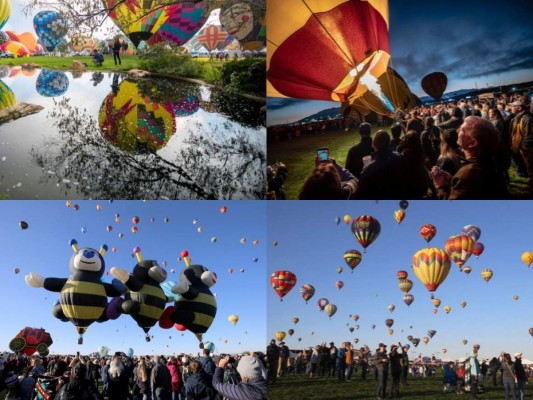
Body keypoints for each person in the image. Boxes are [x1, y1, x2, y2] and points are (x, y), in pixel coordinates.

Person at [431, 116, 508, 199]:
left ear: (472, 143)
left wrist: (441, 187)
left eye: (462, 130)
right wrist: (454, 182)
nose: (457, 131)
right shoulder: (489, 161)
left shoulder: (468, 174)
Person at [356, 130, 408, 199]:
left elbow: (361, 194)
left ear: (373, 145)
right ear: (389, 142)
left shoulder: (369, 170)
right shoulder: (401, 158)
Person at [509, 100, 533, 197]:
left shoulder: (527, 118)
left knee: (531, 167)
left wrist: (524, 148)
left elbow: (529, 136)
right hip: (524, 148)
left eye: (513, 106)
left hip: (528, 149)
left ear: (519, 108)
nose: (511, 108)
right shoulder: (518, 118)